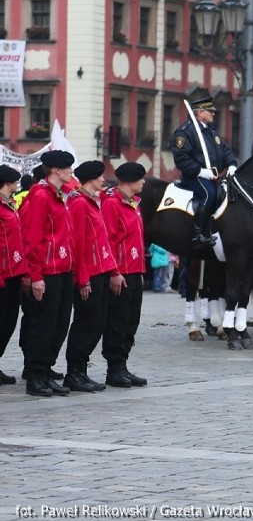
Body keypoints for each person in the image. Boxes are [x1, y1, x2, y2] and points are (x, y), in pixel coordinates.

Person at [20, 150, 76, 397]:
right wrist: (36, 275)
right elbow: (32, 239)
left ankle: (46, 371)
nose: (71, 172)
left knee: (58, 324)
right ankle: (35, 375)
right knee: (43, 325)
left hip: (62, 269)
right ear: (55, 170)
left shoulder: (58, 195)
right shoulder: (42, 196)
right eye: (68, 168)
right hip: (47, 271)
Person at [65, 160, 120, 393]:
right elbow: (78, 244)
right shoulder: (79, 204)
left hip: (100, 271)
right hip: (89, 273)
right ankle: (74, 372)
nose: (103, 180)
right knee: (86, 323)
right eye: (99, 177)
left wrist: (112, 269)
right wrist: (83, 277)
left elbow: (101, 241)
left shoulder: (93, 202)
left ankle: (82, 370)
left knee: (96, 323)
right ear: (90, 179)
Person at [101, 162, 148, 387]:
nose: (143, 182)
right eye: (140, 178)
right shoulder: (112, 204)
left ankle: (123, 364)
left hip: (134, 270)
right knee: (118, 322)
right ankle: (114, 368)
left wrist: (139, 270)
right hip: (120, 273)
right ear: (128, 181)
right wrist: (114, 271)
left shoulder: (134, 203)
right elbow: (109, 240)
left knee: (132, 321)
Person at [170, 95, 238, 249]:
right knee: (210, 194)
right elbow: (181, 159)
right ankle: (197, 233)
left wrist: (232, 164)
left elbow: (225, 150)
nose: (213, 114)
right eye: (210, 111)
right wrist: (200, 171)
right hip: (195, 176)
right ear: (200, 113)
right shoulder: (185, 132)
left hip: (215, 175)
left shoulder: (211, 132)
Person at [0, 165, 25, 384]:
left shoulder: (11, 205)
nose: (17, 186)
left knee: (8, 322)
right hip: (2, 275)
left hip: (14, 272)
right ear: (6, 183)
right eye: (15, 182)